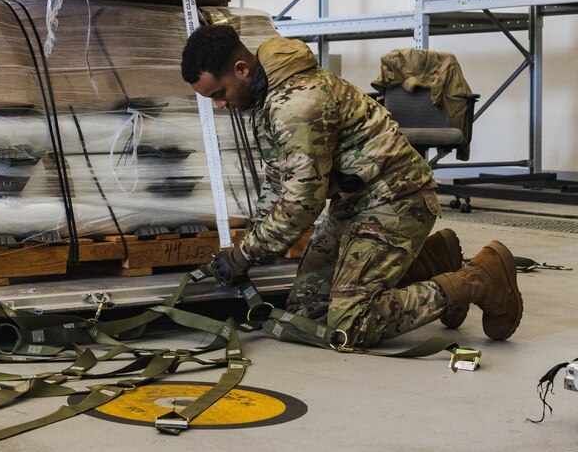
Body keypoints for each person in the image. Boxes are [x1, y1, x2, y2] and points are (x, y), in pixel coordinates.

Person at [180, 24, 522, 348]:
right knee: (306, 312)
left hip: (398, 198)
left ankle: (480, 278)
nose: (220, 105)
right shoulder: (264, 96)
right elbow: (278, 179)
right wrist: (251, 243)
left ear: (241, 69)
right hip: (357, 200)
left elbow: (301, 204)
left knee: (350, 324)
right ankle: (432, 263)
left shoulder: (296, 105)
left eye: (219, 94)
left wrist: (243, 255)